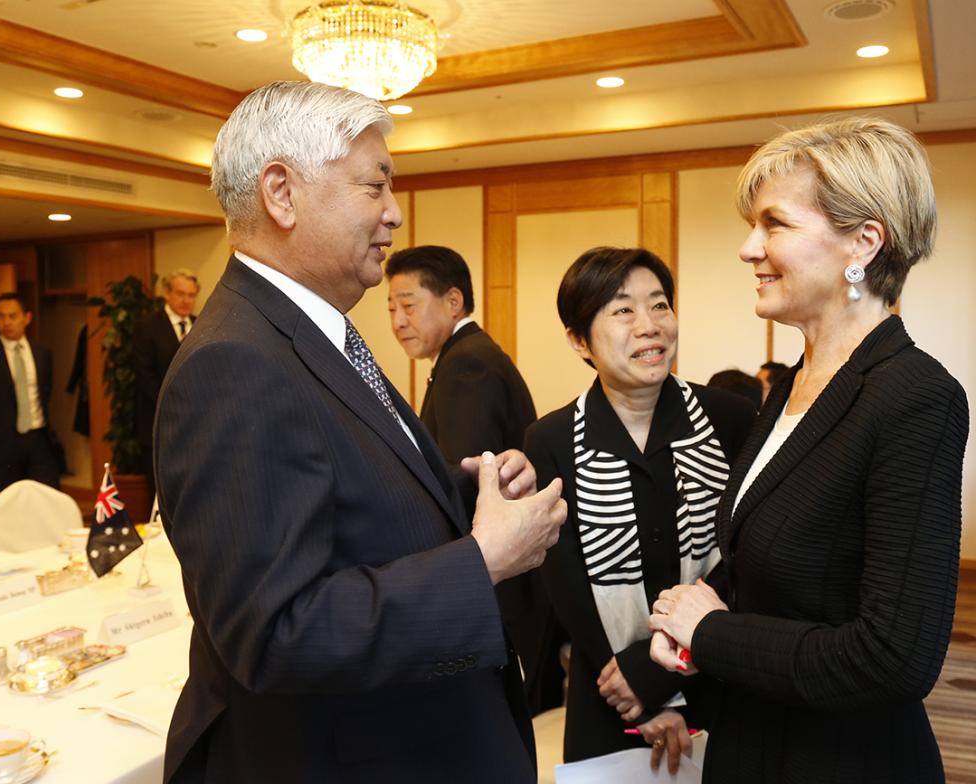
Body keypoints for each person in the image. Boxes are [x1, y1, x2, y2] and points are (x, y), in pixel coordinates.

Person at [155, 80, 567, 784]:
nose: (395, 215)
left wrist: (468, 499)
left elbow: (346, 503)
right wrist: (483, 561)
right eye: (374, 188)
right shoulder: (234, 362)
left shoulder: (310, 334)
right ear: (281, 194)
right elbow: (278, 632)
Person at [647, 117, 968, 784]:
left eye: (774, 224)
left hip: (842, 760)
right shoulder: (792, 385)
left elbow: (894, 657)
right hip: (754, 737)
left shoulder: (916, 395)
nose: (747, 247)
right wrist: (684, 625)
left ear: (863, 242)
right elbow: (759, 567)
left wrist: (709, 633)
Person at [523, 247, 754, 772]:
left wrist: (662, 674)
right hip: (609, 686)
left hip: (715, 671)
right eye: (623, 310)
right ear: (579, 339)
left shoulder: (729, 420)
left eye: (660, 305)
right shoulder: (552, 439)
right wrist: (633, 685)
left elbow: (746, 554)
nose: (649, 326)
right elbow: (565, 581)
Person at [386, 244, 560, 715]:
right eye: (391, 308)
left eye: (408, 304)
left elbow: (465, 480)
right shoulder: (466, 355)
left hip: (498, 581)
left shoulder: (467, 364)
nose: (398, 320)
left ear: (453, 301)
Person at [0, 293, 60, 491]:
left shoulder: (41, 352)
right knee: (12, 505)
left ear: (27, 318)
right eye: (1, 316)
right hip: (2, 443)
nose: (6, 322)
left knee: (46, 498)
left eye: (12, 316)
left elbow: (45, 391)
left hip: (38, 437)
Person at [133, 269, 199, 500]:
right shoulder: (147, 326)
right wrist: (173, 406)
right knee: (161, 493)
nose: (186, 300)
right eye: (181, 294)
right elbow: (144, 375)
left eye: (191, 295)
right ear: (167, 293)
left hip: (195, 425)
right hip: (158, 420)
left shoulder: (201, 324)